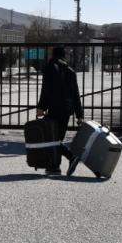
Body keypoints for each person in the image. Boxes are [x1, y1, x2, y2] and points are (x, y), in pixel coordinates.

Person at [36, 46, 83, 176]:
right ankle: (54, 167)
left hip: (54, 108)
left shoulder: (50, 67)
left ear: (53, 55)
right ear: (64, 56)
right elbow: (76, 95)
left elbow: (46, 89)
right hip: (67, 109)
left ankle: (70, 157)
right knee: (58, 138)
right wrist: (79, 115)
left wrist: (41, 107)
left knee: (51, 138)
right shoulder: (70, 71)